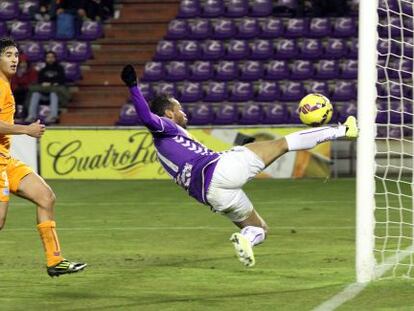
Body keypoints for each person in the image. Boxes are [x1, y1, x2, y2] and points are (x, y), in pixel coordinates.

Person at [121, 64, 358, 267]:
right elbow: (146, 117)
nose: (184, 112)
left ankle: (246, 240)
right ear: (169, 114)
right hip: (220, 171)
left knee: (259, 228)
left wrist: (239, 149)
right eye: (179, 108)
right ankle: (344, 130)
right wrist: (133, 86)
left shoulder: (166, 146)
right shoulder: (165, 126)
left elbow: (196, 162)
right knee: (282, 144)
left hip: (212, 195)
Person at [0, 37, 86, 277]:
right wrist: (26, 130)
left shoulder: (6, 85)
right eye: (8, 55)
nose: (14, 59)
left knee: (45, 197)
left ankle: (54, 261)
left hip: (6, 159)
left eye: (16, 55)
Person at [25, 51, 68, 124]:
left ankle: (53, 116)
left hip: (56, 95)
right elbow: (40, 82)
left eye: (52, 57)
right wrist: (52, 83)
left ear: (55, 58)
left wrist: (50, 83)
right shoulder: (43, 70)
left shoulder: (60, 69)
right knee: (35, 93)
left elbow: (61, 80)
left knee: (53, 93)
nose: (50, 59)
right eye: (48, 57)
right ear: (45, 59)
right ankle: (31, 116)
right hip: (43, 94)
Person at [11, 54, 38, 121]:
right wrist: (16, 88)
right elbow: (12, 82)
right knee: (11, 95)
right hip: (17, 91)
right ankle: (14, 115)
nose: (23, 65)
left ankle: (24, 115)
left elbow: (33, 83)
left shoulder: (33, 71)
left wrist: (25, 87)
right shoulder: (14, 71)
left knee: (28, 95)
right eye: (21, 63)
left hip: (27, 91)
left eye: (24, 63)